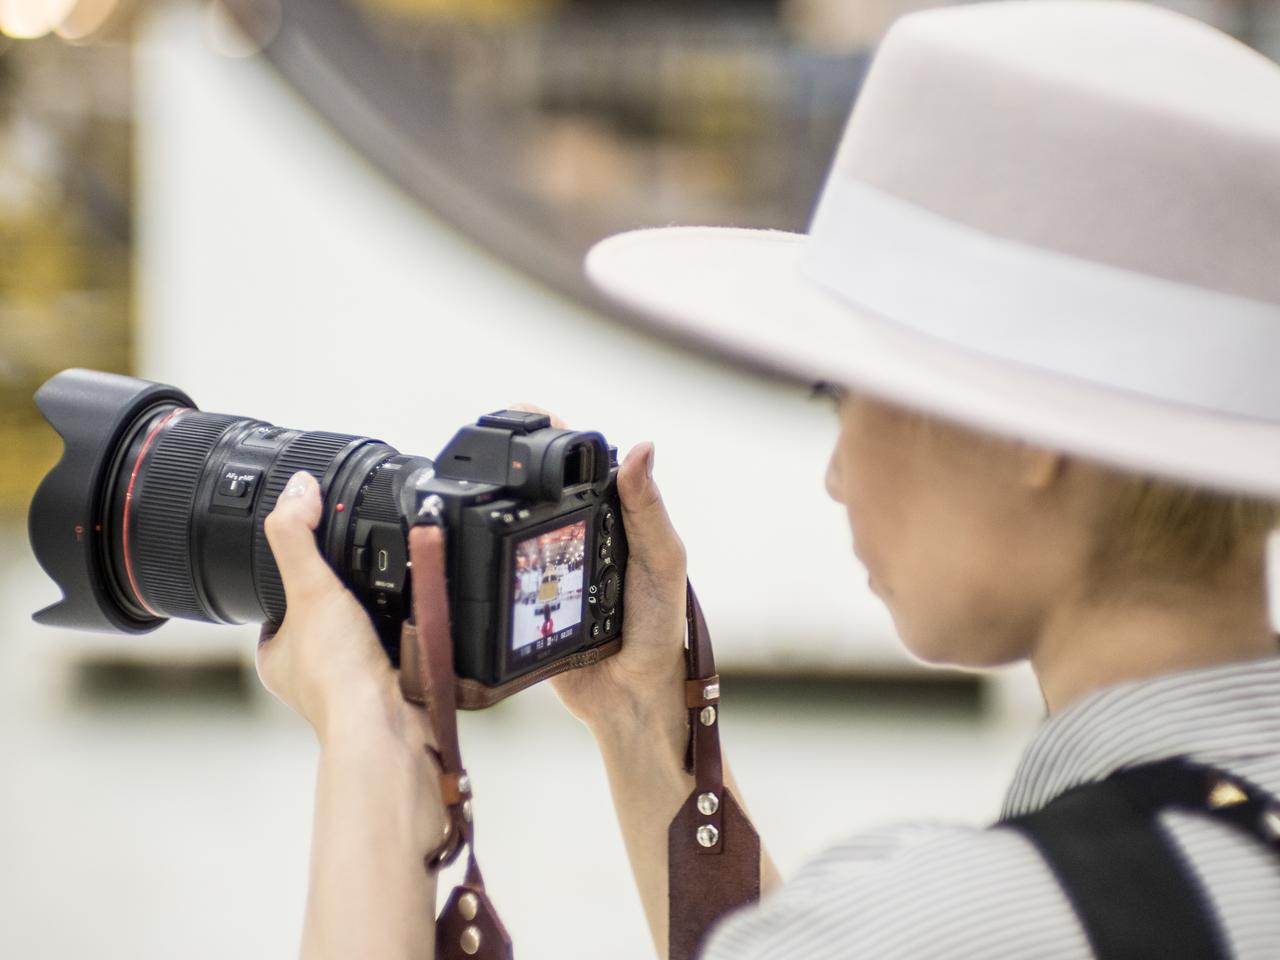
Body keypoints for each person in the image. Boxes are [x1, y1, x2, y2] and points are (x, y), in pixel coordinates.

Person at [254, 2, 1280, 957]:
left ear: (1024, 434)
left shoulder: (937, 921)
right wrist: (645, 725)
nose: (836, 474)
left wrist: (371, 742)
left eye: (844, 393)